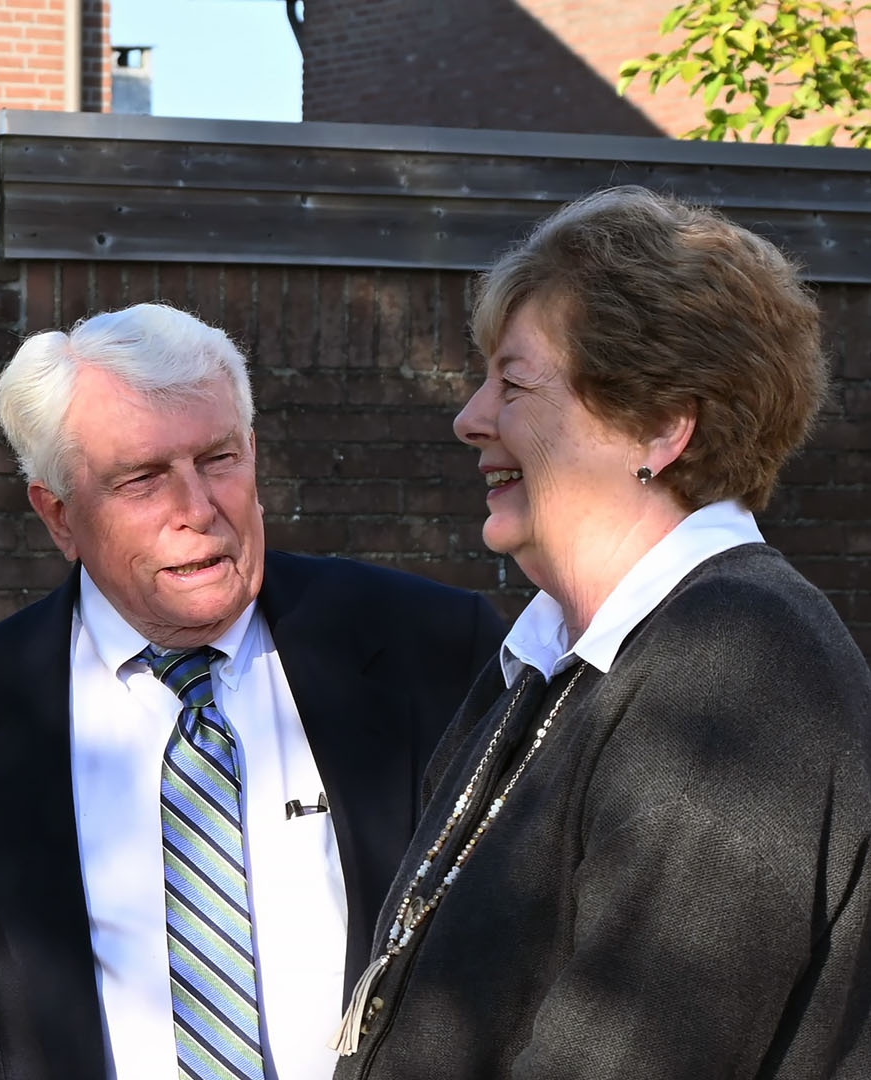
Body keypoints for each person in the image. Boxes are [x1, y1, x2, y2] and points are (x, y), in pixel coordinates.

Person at [0, 302, 506, 1080]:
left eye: (217, 460)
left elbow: (515, 959)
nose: (196, 510)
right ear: (59, 516)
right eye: (141, 479)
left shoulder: (435, 649)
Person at [332, 186, 871, 1079]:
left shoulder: (741, 672)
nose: (469, 416)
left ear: (659, 428)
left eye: (513, 383)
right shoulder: (549, 663)